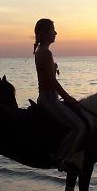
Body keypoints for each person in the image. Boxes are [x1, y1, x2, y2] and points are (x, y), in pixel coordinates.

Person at [34, 18, 86, 172]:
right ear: (44, 33)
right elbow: (52, 83)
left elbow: (47, 76)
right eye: (52, 30)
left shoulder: (41, 51)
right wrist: (69, 99)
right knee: (79, 127)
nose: (55, 33)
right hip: (49, 100)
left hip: (48, 98)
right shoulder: (45, 52)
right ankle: (60, 158)